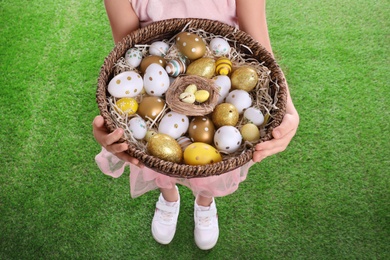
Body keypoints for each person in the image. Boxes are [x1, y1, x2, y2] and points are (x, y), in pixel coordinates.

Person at [93, 0, 299, 250]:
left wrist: (289, 109)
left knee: (212, 160)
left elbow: (261, 50)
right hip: (157, 108)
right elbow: (128, 57)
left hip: (219, 90)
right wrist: (109, 124)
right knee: (160, 157)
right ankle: (169, 198)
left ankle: (204, 202)